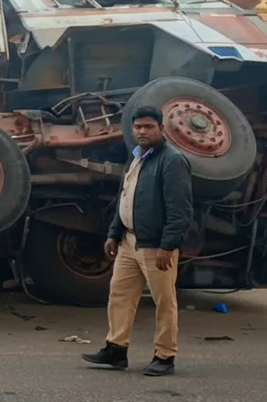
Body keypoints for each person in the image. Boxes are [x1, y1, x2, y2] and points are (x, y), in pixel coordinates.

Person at [83, 106, 193, 377]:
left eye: (148, 127)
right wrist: (113, 233)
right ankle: (116, 349)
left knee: (164, 302)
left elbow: (180, 209)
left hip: (156, 245)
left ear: (161, 129)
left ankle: (165, 356)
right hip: (129, 243)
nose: (142, 131)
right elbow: (126, 199)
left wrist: (168, 245)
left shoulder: (172, 160)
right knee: (119, 295)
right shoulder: (137, 158)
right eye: (138, 127)